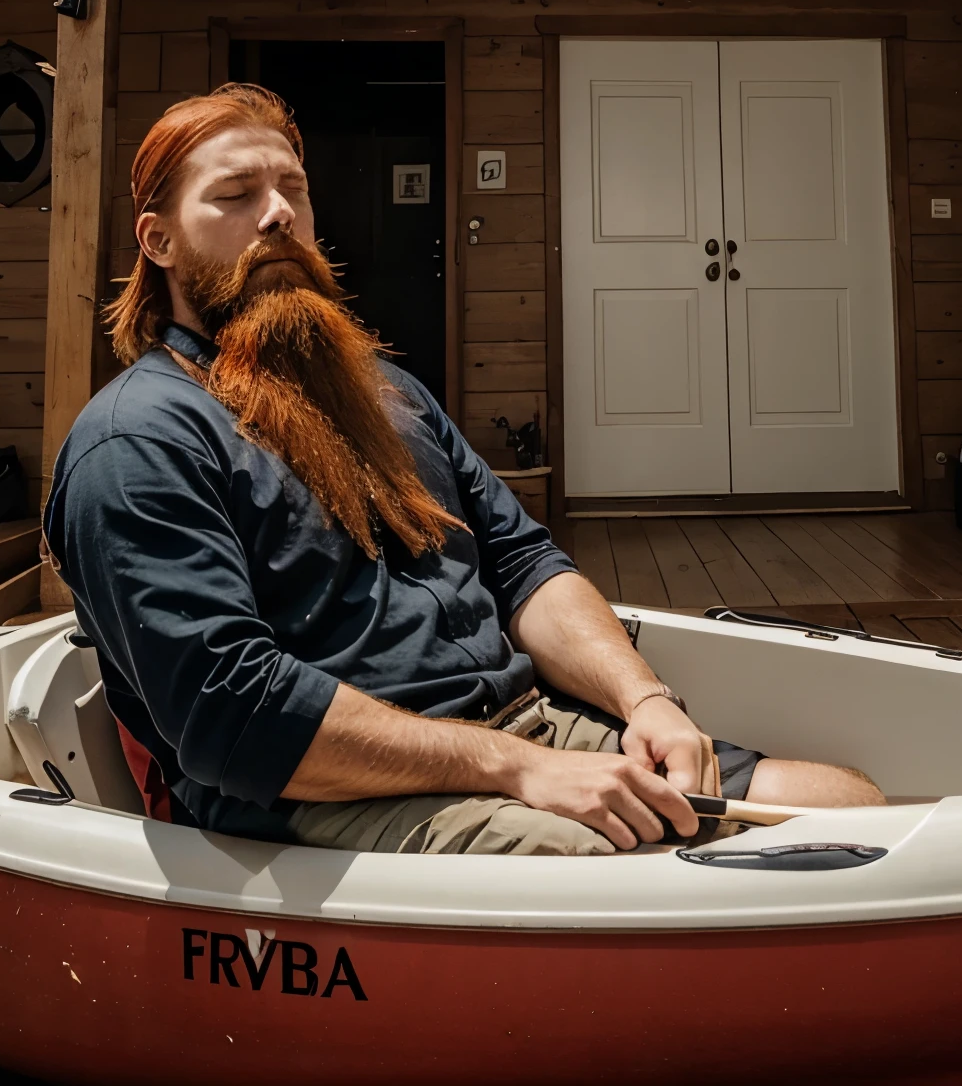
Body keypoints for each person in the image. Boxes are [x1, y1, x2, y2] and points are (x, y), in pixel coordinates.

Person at [45, 83, 881, 856]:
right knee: (610, 869)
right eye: (234, 196)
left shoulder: (387, 394)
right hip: (321, 794)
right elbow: (236, 715)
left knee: (845, 805)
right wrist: (512, 769)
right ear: (158, 240)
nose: (277, 216)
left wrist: (644, 699)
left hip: (520, 731)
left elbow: (522, 566)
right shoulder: (137, 441)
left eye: (293, 190)